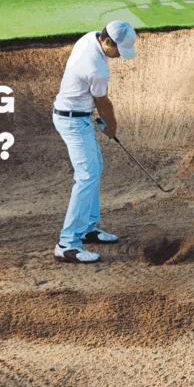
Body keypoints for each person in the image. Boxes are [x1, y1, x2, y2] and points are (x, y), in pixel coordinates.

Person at [51, 20, 137, 264]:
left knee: (95, 168)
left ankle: (88, 228)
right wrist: (112, 127)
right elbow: (103, 103)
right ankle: (67, 244)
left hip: (76, 115)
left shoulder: (91, 37)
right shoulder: (97, 68)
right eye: (119, 50)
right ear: (108, 41)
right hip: (73, 121)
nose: (119, 56)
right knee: (87, 176)